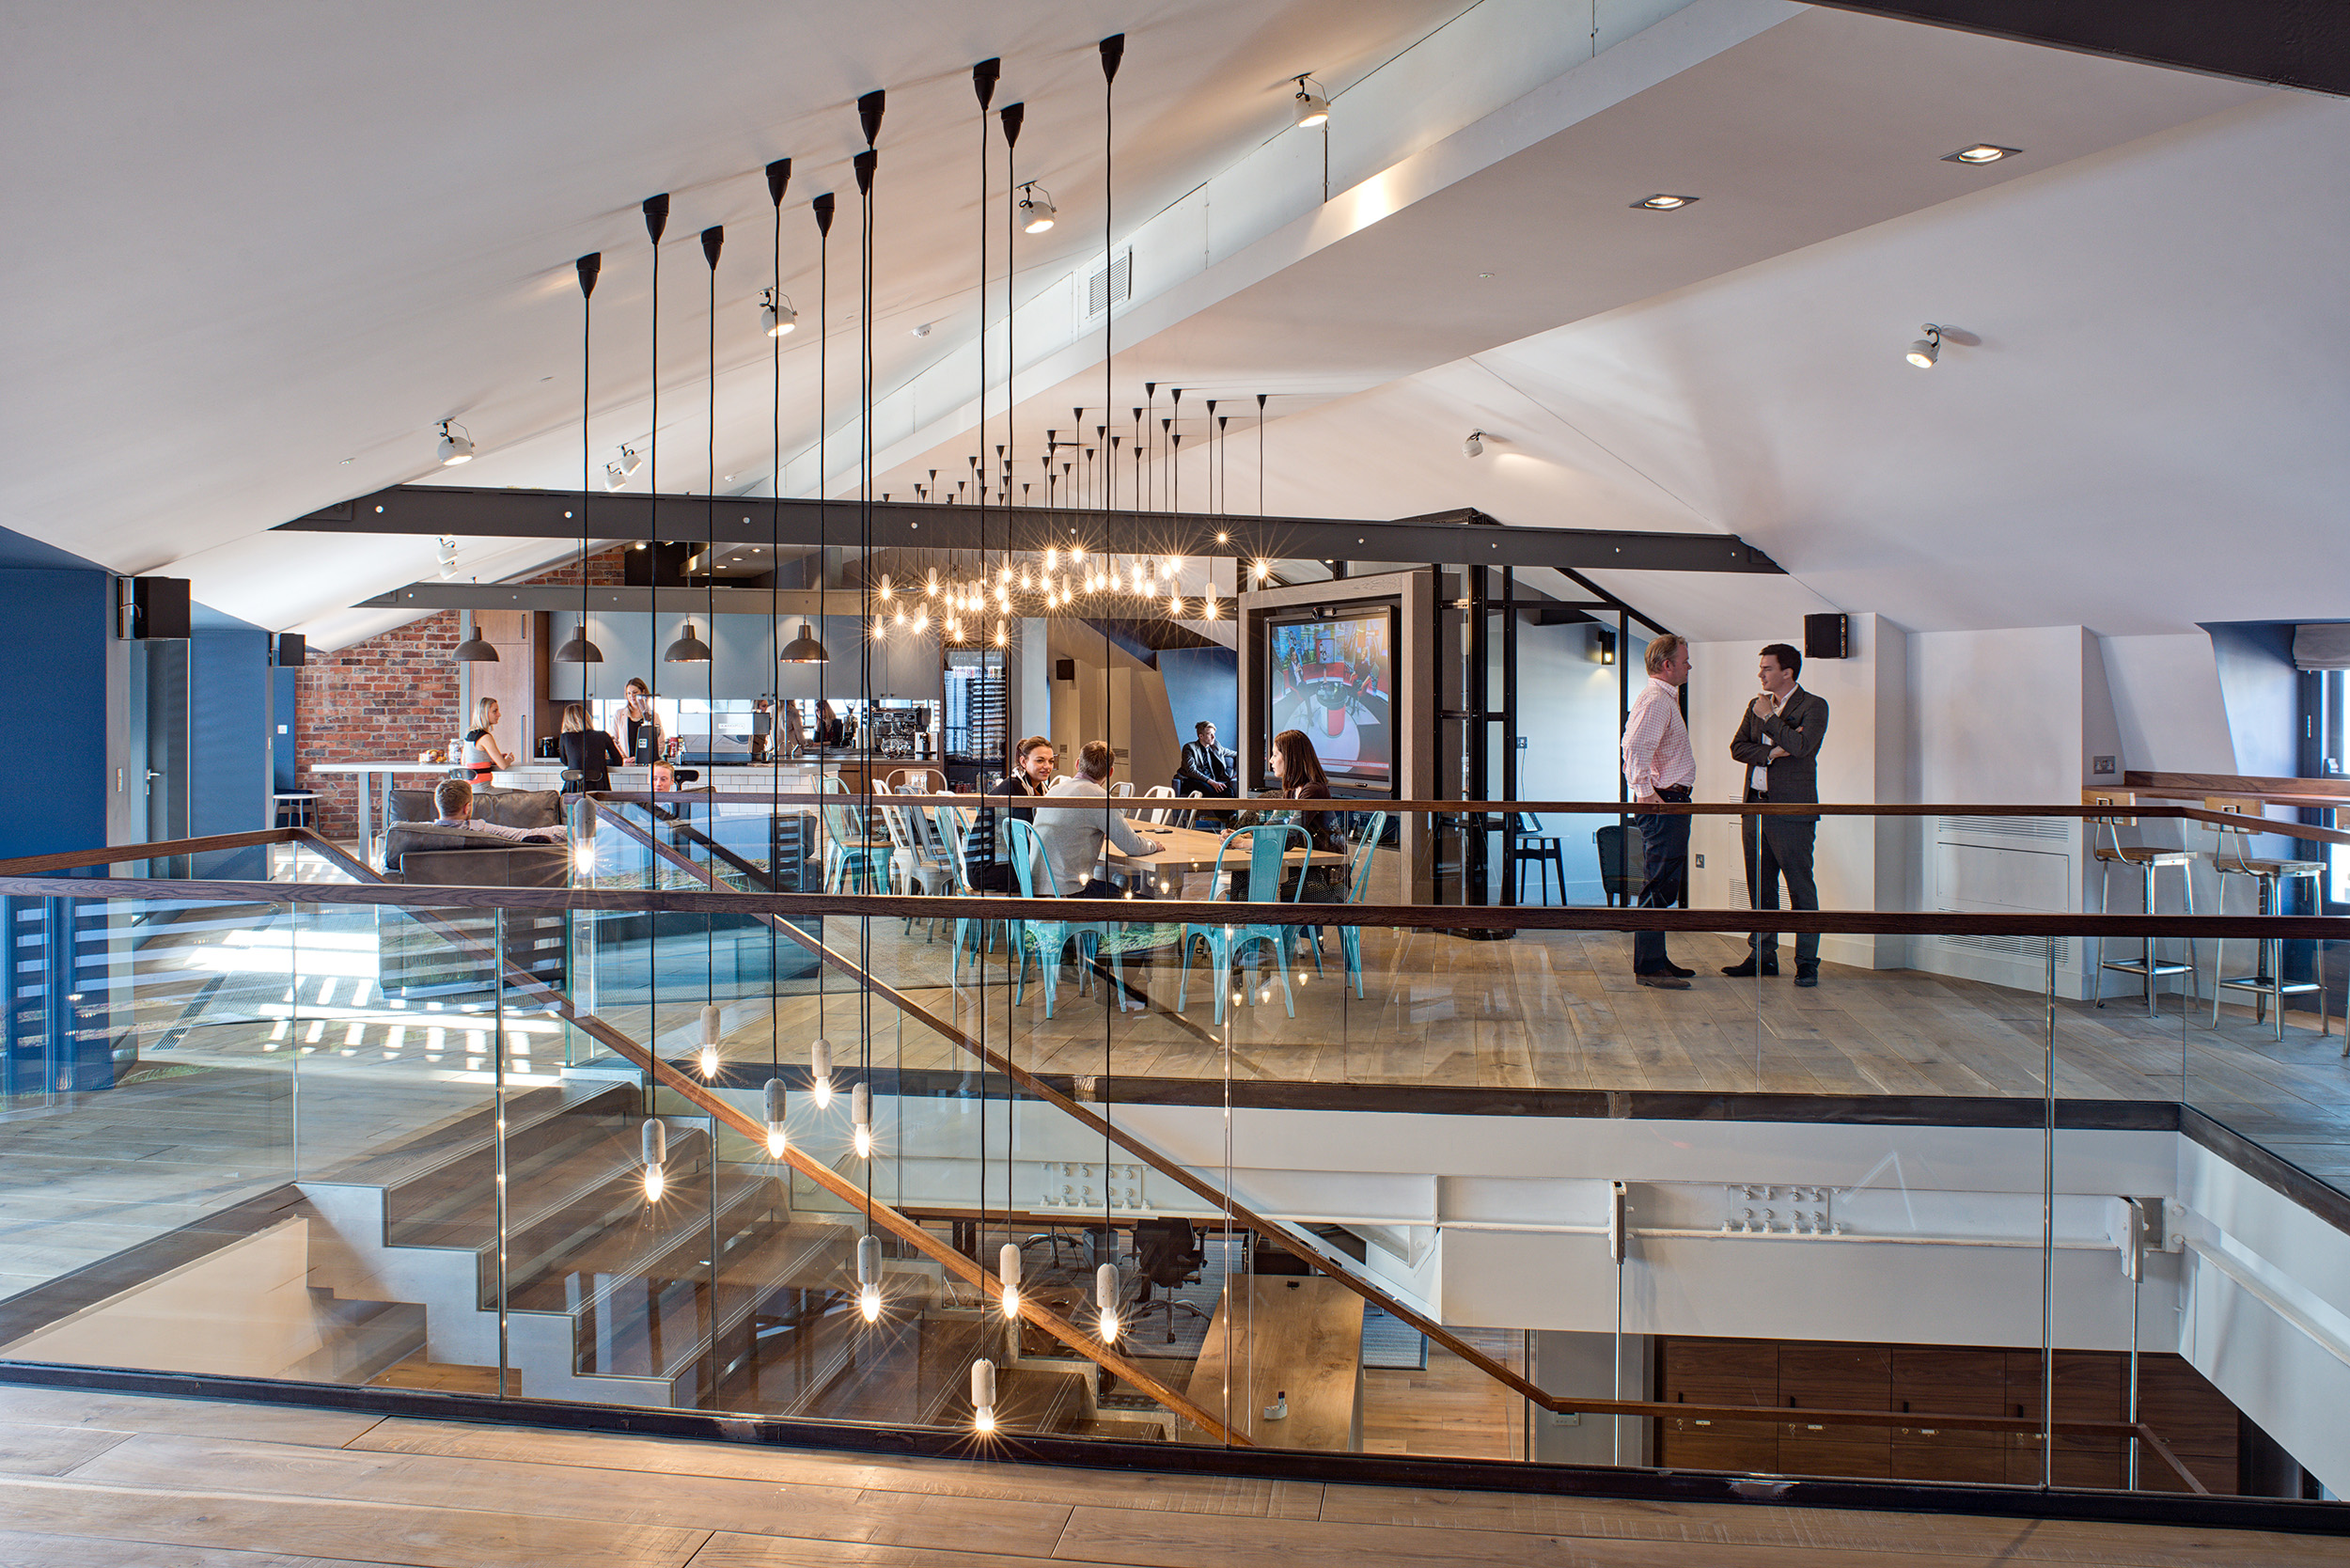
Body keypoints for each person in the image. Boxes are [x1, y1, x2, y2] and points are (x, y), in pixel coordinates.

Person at [1726, 642, 1829, 987]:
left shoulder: (1814, 706)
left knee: (1800, 888)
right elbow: (1737, 748)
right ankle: (1762, 956)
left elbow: (1802, 747)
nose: (1760, 674)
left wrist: (1770, 719)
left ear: (1788, 672)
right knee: (1760, 885)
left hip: (1792, 810)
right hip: (1755, 806)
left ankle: (1806, 962)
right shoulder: (1753, 705)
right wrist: (1773, 752)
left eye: (1767, 668)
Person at [1620, 635, 1696, 989]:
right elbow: (1634, 746)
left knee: (1664, 880)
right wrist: (1645, 792)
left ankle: (1656, 959)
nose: (1688, 666)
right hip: (1664, 801)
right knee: (1659, 882)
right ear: (1668, 666)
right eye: (1684, 660)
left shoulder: (1663, 698)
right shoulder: (1656, 699)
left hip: (1669, 800)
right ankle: (1650, 966)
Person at [1232, 728, 1344, 903]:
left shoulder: (1314, 790)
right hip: (1307, 870)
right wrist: (1239, 836)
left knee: (1250, 892)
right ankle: (1256, 929)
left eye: (1275, 755)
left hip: (1325, 879)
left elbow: (1288, 839)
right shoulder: (1292, 791)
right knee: (1247, 885)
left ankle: (1261, 929)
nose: (1270, 761)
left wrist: (1242, 843)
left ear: (1291, 758)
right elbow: (1272, 827)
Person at [1034, 741, 1159, 898]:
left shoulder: (1055, 790)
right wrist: (1153, 845)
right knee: (1147, 903)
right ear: (1111, 772)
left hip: (1038, 888)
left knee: (1116, 889)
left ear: (1078, 763)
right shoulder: (1098, 797)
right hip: (1069, 893)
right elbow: (1131, 845)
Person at [963, 734, 1056, 893]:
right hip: (986, 869)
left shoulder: (1037, 788)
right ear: (1023, 762)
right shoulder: (1014, 788)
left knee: (1055, 871)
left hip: (1003, 862)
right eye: (1040, 760)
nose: (1047, 766)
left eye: (1051, 761)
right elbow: (1027, 835)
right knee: (1054, 875)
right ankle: (1042, 916)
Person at [431, 778, 562, 842]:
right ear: (467, 808)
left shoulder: (418, 832)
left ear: (438, 805)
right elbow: (524, 834)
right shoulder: (480, 830)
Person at [556, 703, 626, 794]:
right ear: (587, 718)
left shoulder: (565, 737)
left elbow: (565, 761)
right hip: (599, 787)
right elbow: (618, 761)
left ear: (566, 720)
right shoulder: (602, 735)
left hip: (574, 789)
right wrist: (601, 762)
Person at [1174, 721, 1235, 804]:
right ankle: (1229, 815)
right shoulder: (1189, 748)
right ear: (1201, 736)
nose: (1213, 737)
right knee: (1208, 789)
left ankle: (1232, 816)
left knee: (1228, 791)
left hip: (1211, 781)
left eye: (1214, 734)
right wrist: (1212, 782)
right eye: (1210, 734)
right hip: (1192, 781)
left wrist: (1239, 771)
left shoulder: (1216, 746)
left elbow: (1235, 754)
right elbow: (1191, 771)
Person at [462, 697, 515, 783]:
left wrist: (490, 759)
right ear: (484, 713)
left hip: (471, 789)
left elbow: (463, 761)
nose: (499, 714)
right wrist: (509, 759)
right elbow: (503, 765)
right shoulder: (485, 737)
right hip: (483, 790)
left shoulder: (470, 733)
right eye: (495, 711)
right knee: (520, 795)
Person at [617, 678, 664, 765]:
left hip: (647, 764)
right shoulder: (619, 714)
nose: (631, 696)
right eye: (628, 693)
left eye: (635, 693)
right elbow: (613, 740)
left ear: (643, 692)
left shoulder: (653, 716)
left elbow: (660, 743)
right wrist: (624, 758)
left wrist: (646, 757)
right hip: (626, 763)